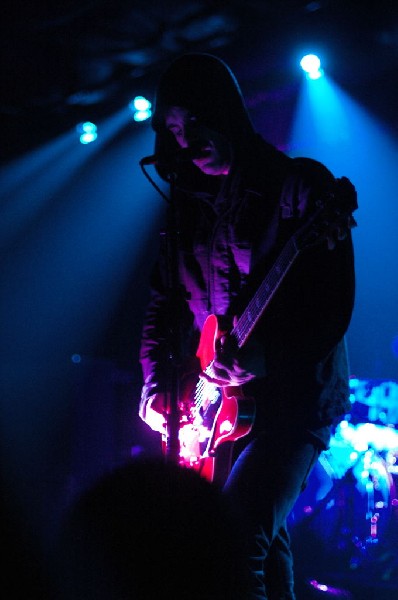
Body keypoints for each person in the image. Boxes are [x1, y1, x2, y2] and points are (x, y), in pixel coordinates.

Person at [138, 52, 357, 599]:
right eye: (173, 129)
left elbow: (334, 304)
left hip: (295, 400)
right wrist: (154, 386)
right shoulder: (187, 208)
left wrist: (268, 357)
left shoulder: (298, 186)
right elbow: (162, 306)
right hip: (220, 411)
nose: (185, 139)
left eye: (195, 121)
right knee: (264, 545)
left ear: (225, 109)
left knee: (236, 540)